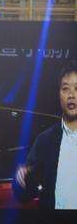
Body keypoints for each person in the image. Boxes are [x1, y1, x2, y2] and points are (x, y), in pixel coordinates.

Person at [14, 61, 77, 209]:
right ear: (59, 94)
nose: (71, 95)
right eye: (65, 89)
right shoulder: (45, 140)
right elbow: (24, 195)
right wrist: (22, 179)